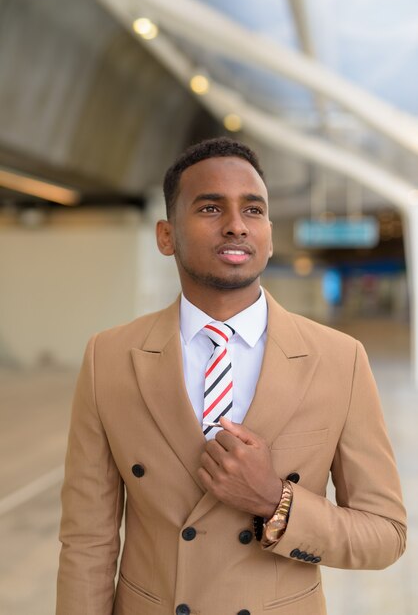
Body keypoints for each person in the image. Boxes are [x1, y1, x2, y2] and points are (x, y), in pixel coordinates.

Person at [56, 137, 406, 615]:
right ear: (166, 236)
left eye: (254, 210)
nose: (237, 226)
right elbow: (87, 543)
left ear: (269, 234)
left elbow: (386, 535)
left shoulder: (339, 360)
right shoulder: (110, 358)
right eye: (210, 208)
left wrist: (275, 501)